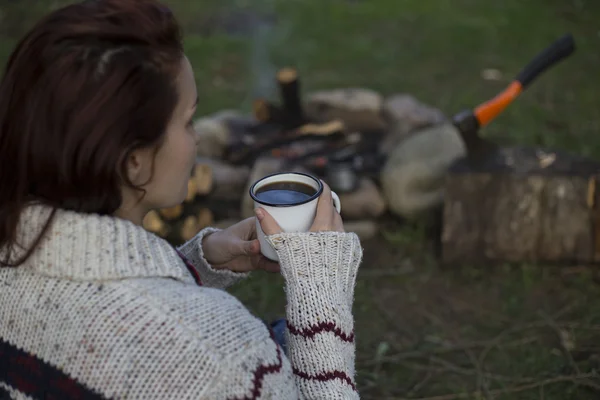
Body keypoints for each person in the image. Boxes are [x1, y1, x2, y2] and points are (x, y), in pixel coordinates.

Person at [0, 0, 363, 399]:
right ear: (134, 162)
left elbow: (100, 315)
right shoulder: (221, 356)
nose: (196, 139)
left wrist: (192, 265)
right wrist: (322, 298)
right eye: (188, 120)